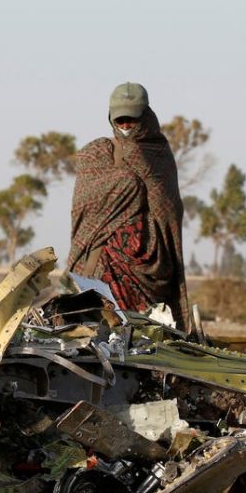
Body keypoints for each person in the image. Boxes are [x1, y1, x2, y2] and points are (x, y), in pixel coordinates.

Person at [68, 82, 191, 331]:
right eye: (120, 120)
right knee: (102, 335)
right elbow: (84, 210)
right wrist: (126, 185)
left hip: (152, 267)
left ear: (145, 117)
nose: (125, 126)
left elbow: (168, 212)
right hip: (103, 263)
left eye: (131, 120)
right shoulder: (96, 155)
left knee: (147, 337)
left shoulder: (158, 155)